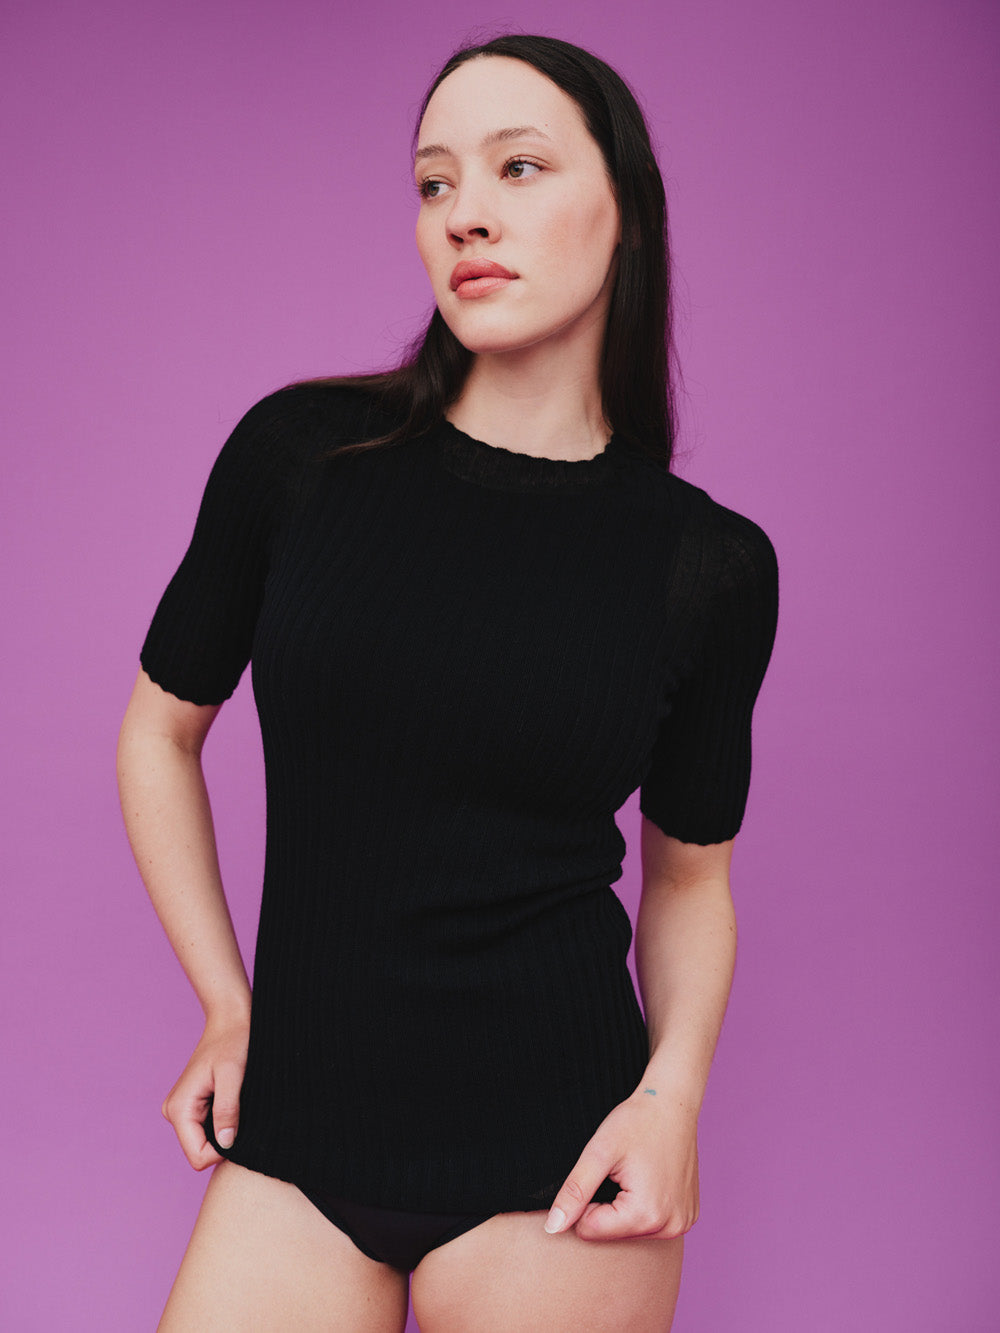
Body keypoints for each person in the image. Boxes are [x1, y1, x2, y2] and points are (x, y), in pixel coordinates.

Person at [117, 33, 778, 1332]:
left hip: (559, 1158)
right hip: (298, 1132)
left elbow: (692, 876)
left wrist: (672, 1101)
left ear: (627, 211)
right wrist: (224, 1000)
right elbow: (158, 729)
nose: (465, 210)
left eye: (518, 167)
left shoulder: (706, 563)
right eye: (433, 184)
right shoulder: (301, 458)